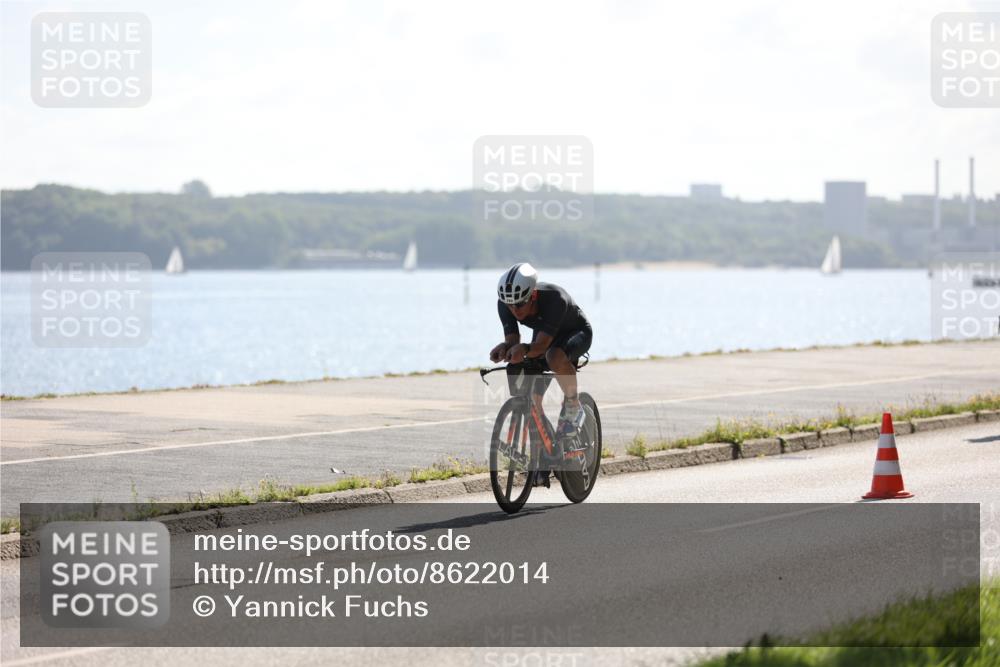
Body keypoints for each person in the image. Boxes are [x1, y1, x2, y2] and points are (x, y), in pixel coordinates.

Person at [489, 262, 593, 446]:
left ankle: (573, 405)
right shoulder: (506, 303)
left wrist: (525, 349)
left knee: (553, 356)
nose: (515, 310)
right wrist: (506, 347)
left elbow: (542, 346)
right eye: (510, 305)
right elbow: (515, 342)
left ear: (533, 295)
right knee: (531, 401)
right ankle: (544, 455)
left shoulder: (555, 299)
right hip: (544, 334)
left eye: (520, 304)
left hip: (575, 332)